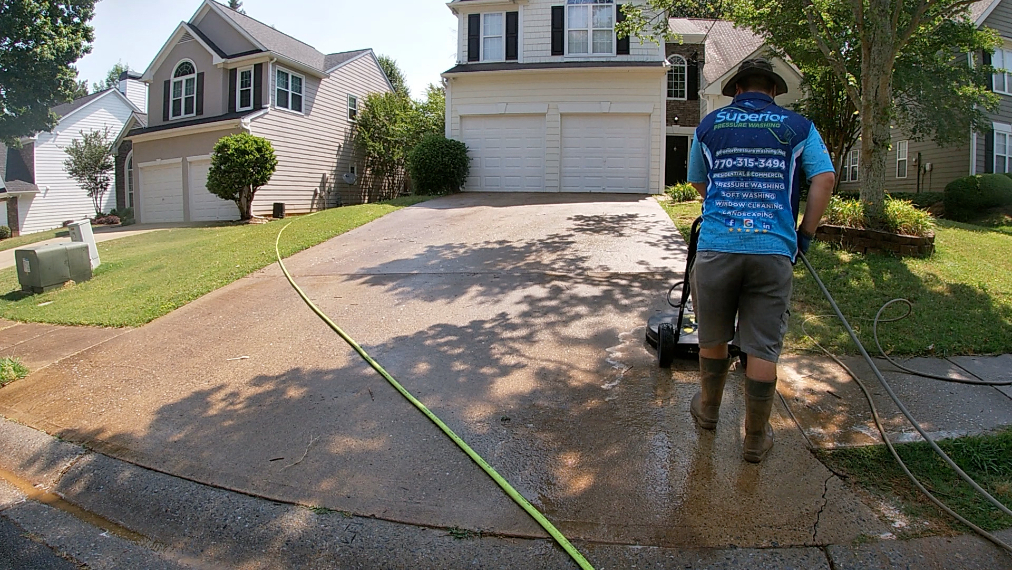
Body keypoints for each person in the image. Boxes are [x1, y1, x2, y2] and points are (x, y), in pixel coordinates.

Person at [685, 58, 835, 463]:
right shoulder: (798, 127)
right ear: (772, 90)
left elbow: (698, 178)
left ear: (736, 90)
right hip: (773, 250)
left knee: (712, 337)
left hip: (717, 247)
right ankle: (754, 439)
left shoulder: (710, 125)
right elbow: (824, 179)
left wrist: (723, 207)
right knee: (763, 349)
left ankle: (709, 413)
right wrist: (804, 235)